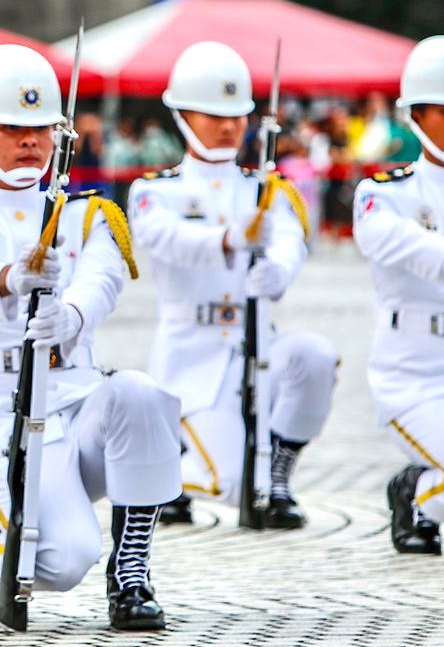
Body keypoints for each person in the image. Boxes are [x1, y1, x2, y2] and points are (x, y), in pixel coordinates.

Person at [0, 44, 180, 630]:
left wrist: (73, 318)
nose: (30, 141)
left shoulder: (87, 214)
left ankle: (131, 572)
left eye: (41, 128)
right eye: (12, 128)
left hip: (76, 403)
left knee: (141, 395)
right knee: (62, 560)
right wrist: (8, 277)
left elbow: (103, 277)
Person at [129, 41, 337, 528]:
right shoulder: (156, 190)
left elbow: (290, 236)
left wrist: (281, 267)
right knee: (228, 486)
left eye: (237, 116)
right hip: (192, 354)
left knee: (315, 356)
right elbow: (165, 238)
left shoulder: (264, 186)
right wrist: (228, 239)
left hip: (255, 342)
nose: (227, 127)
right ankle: (166, 473)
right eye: (212, 115)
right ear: (182, 115)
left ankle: (278, 478)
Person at [354, 36, 444, 555]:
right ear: (415, 114)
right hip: (413, 375)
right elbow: (395, 243)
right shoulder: (383, 193)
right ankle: (412, 493)